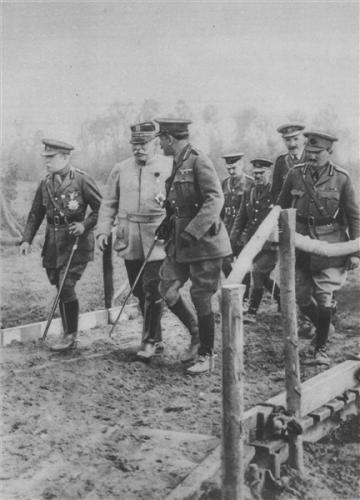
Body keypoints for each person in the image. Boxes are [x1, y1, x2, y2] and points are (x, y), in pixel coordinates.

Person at [155, 118, 232, 375]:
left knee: (201, 297)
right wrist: (168, 222)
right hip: (180, 241)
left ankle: (207, 354)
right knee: (167, 288)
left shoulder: (199, 160)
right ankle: (196, 333)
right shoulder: (178, 162)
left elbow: (215, 199)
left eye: (160, 138)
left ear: (169, 138)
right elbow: (179, 203)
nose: (159, 143)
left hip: (204, 243)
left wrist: (193, 231)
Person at [278, 131, 360, 365]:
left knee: (324, 297)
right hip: (301, 245)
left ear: (329, 152)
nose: (312, 157)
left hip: (331, 245)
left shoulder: (342, 178)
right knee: (301, 297)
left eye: (318, 153)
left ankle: (320, 349)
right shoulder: (295, 174)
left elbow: (354, 216)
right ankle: (326, 328)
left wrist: (355, 252)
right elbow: (281, 207)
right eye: (309, 152)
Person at [96, 121, 172, 360]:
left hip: (157, 239)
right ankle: (157, 339)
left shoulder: (170, 166)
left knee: (152, 288)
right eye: (135, 144)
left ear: (156, 143)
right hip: (129, 238)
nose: (138, 149)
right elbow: (108, 203)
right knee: (139, 290)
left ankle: (148, 341)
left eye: (144, 144)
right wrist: (102, 230)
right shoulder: (120, 168)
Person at [20, 138, 102, 351]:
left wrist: (85, 225)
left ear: (65, 157)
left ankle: (70, 335)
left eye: (51, 158)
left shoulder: (82, 180)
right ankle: (69, 333)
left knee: (66, 286)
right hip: (54, 244)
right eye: (45, 158)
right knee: (59, 284)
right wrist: (26, 239)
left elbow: (101, 208)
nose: (46, 162)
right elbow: (35, 213)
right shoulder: (46, 183)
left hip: (77, 243)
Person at [230, 158, 281, 323]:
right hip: (252, 243)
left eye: (261, 173)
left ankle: (252, 311)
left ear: (269, 173)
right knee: (262, 277)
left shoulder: (277, 193)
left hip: (271, 244)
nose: (258, 176)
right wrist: (232, 240)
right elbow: (241, 218)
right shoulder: (249, 192)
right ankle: (282, 299)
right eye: (255, 173)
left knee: (258, 272)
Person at [272, 123, 306, 201]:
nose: (292, 144)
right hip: (287, 210)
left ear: (303, 139)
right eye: (287, 140)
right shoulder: (281, 161)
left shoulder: (311, 159)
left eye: (296, 139)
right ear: (283, 141)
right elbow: (276, 191)